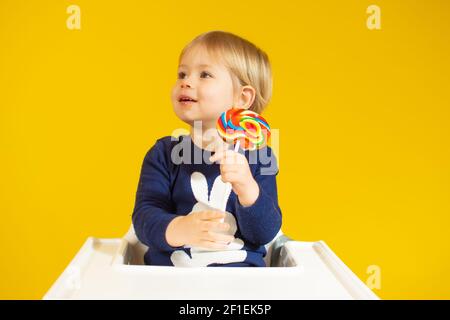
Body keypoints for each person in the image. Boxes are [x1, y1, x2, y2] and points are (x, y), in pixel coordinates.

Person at [132, 30, 282, 267]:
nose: (186, 81)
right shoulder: (163, 154)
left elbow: (264, 233)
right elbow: (144, 217)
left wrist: (246, 187)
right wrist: (177, 228)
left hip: (240, 283)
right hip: (170, 281)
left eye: (205, 74)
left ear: (242, 98)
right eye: (182, 73)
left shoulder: (260, 158)